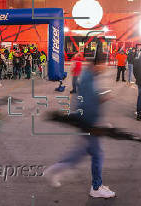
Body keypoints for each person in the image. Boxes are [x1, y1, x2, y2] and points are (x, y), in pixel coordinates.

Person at [44, 43, 116, 199]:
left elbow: (88, 99)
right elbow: (87, 103)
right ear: (98, 64)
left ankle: (55, 171)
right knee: (95, 155)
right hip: (88, 123)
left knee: (82, 154)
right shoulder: (89, 79)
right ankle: (96, 187)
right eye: (105, 64)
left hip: (86, 122)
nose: (106, 67)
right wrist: (96, 124)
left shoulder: (90, 75)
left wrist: (101, 98)